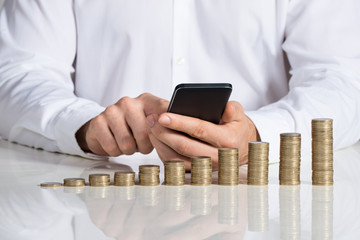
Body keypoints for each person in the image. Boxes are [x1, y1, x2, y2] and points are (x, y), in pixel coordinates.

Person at [0, 0, 359, 169]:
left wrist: (257, 135)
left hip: (262, 201)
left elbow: (345, 77)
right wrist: (83, 125)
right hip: (91, 199)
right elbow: (16, 72)